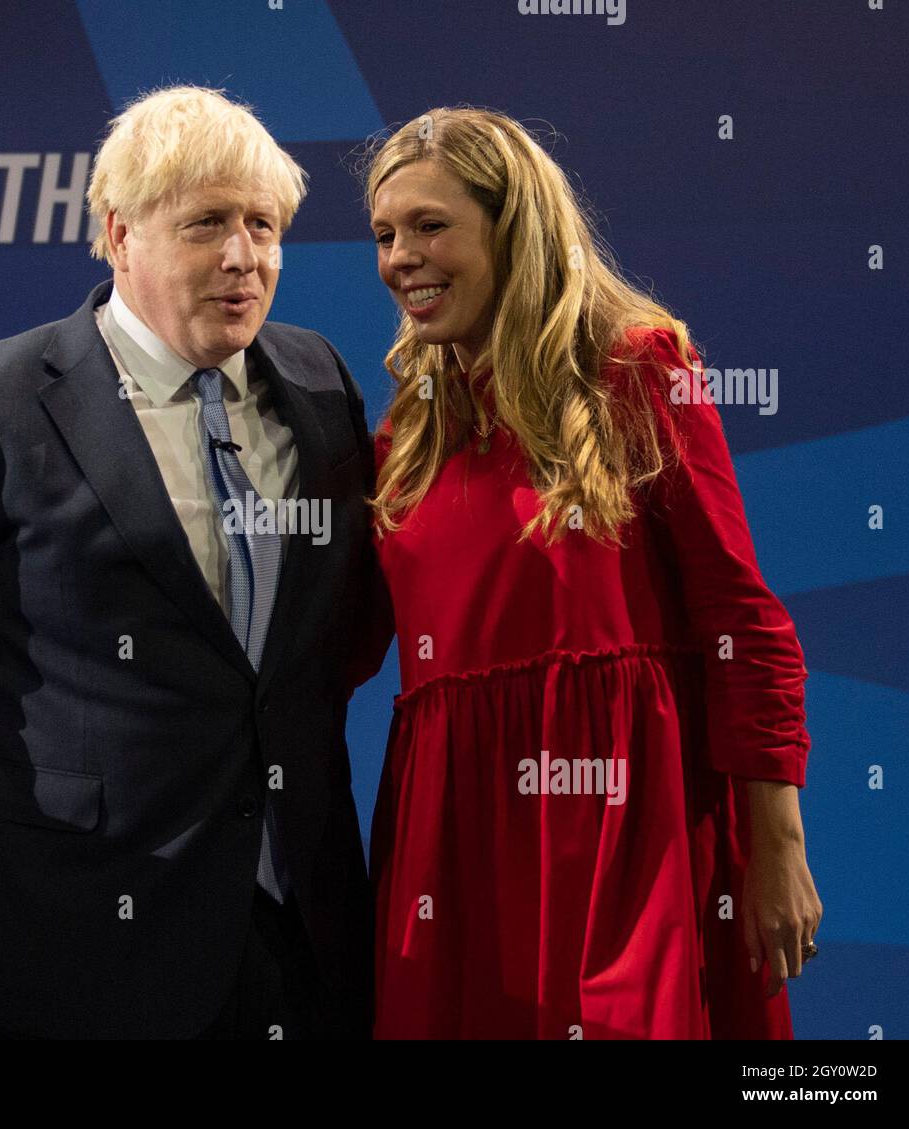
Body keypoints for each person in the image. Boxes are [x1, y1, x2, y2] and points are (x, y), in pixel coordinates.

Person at [0, 85, 379, 1040]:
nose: (244, 257)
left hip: (306, 946)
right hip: (84, 949)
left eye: (263, 225)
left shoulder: (320, 381)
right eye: (206, 225)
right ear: (118, 232)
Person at [354, 108, 823, 1038]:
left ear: (511, 225)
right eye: (384, 233)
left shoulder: (641, 367)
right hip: (452, 853)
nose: (402, 256)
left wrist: (776, 844)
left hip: (624, 838)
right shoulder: (406, 436)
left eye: (431, 225)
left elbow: (743, 615)